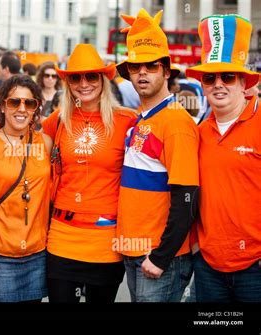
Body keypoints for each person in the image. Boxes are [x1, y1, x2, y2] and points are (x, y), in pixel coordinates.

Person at [115, 9, 199, 302]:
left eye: (151, 67)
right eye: (136, 67)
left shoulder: (175, 122)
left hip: (158, 256)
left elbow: (187, 195)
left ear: (166, 71)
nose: (142, 73)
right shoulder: (143, 117)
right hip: (135, 250)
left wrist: (162, 256)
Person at [42, 44, 136, 303]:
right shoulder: (58, 120)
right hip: (62, 237)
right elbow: (24, 146)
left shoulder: (127, 121)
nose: (84, 83)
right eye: (76, 77)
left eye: (91, 76)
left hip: (105, 241)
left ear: (103, 79)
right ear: (68, 82)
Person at [185, 14, 261, 302]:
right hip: (208, 268)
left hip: (255, 270)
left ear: (243, 82)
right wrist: (196, 248)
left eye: (227, 76)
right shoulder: (198, 132)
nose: (218, 84)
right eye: (210, 77)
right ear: (202, 85)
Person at [0, 75, 52, 302]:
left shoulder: (45, 143)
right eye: (14, 102)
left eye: (29, 103)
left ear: (36, 108)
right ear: (2, 105)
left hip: (37, 254)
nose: (22, 109)